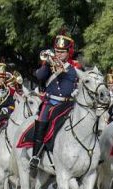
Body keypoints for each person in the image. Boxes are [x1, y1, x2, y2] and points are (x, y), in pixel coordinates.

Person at [29, 34, 81, 169]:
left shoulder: (75, 67)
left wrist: (77, 91)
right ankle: (36, 155)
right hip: (51, 102)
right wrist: (47, 62)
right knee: (42, 120)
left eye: (62, 51)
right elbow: (39, 75)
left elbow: (82, 82)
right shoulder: (49, 64)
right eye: (57, 51)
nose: (59, 54)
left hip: (69, 104)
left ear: (68, 52)